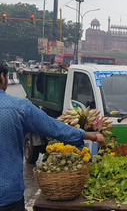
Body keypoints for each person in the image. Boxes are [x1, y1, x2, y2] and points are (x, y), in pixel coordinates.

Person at [0, 62, 105, 211]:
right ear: (3, 77)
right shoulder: (18, 108)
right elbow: (54, 128)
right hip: (7, 196)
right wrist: (92, 136)